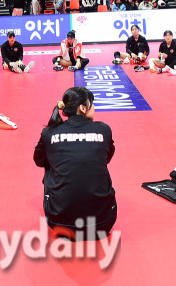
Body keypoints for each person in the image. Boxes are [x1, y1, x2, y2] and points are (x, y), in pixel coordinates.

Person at [33, 87, 116, 239]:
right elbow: (108, 158)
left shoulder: (49, 132)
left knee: (51, 163)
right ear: (83, 108)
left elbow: (39, 161)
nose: (95, 108)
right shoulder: (104, 130)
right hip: (103, 224)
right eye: (93, 104)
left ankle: (63, 205)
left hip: (59, 224)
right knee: (95, 161)